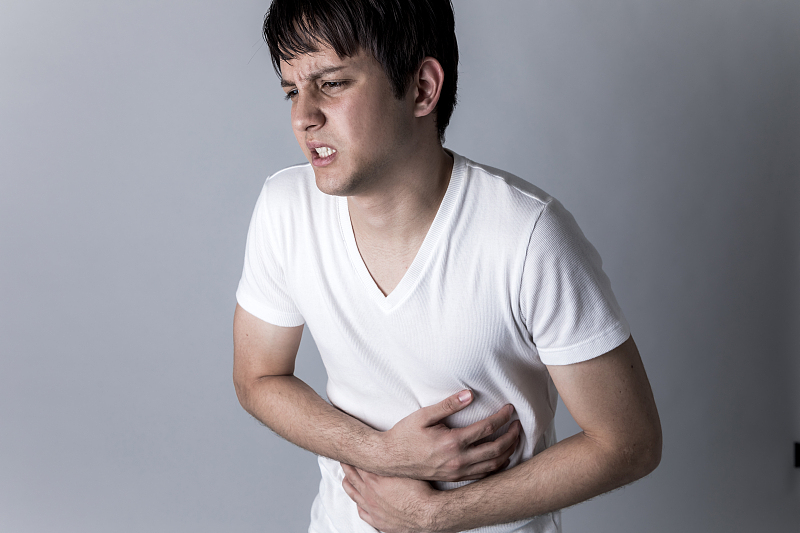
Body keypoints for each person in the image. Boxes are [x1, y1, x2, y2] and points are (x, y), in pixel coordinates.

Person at [232, 1, 662, 531]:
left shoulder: (527, 237)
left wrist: (435, 515)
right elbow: (257, 376)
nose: (303, 116)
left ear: (422, 88)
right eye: (292, 91)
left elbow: (629, 443)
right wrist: (383, 453)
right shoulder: (285, 207)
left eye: (333, 83)